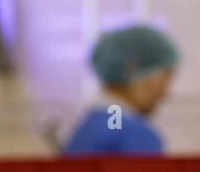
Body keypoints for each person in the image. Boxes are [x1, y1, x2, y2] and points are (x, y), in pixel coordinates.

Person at [63, 25, 178, 155]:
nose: (166, 92)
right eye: (164, 80)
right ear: (133, 69)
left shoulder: (89, 127)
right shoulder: (133, 135)